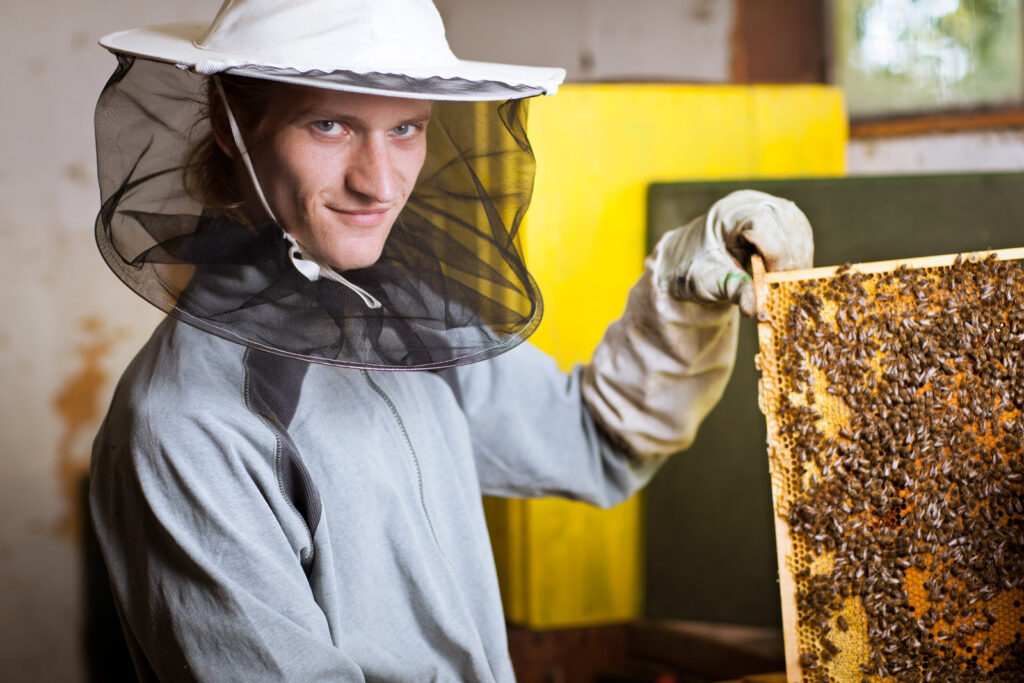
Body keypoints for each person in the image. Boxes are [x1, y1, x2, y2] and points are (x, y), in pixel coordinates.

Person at [89, 0, 814, 680]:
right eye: (329, 125)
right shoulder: (185, 422)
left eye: (406, 127)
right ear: (229, 124)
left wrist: (682, 295)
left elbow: (594, 444)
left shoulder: (405, 318)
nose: (379, 183)